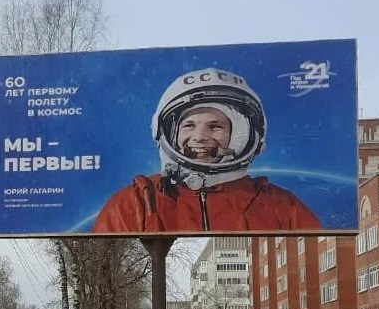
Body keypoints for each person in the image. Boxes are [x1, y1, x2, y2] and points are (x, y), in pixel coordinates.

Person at [91, 68, 321, 233]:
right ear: (167, 132)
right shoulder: (136, 204)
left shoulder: (281, 207)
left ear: (240, 136)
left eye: (215, 126)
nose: (200, 137)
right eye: (189, 125)